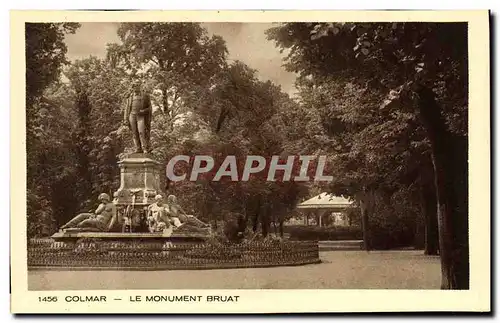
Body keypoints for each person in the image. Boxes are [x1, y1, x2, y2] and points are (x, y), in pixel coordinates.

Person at [123, 81, 153, 154]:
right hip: (132, 116)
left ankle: (145, 148)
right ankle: (138, 148)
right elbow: (127, 109)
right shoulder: (130, 98)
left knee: (141, 132)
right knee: (134, 133)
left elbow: (150, 107)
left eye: (138, 85)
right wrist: (125, 119)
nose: (137, 87)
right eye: (135, 86)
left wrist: (143, 111)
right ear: (132, 88)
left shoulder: (145, 96)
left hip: (141, 116)